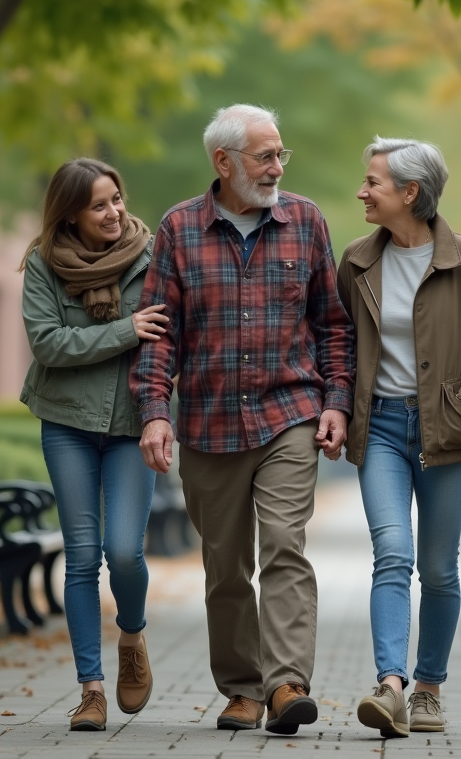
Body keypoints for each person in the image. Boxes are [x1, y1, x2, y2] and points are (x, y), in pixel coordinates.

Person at [130, 104, 355, 735]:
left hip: (290, 412)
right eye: (265, 156)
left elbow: (332, 325)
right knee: (225, 564)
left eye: (282, 154)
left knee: (284, 545)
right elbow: (159, 335)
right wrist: (155, 413)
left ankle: (286, 684)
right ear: (222, 162)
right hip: (208, 421)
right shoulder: (178, 229)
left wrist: (336, 401)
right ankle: (242, 688)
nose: (277, 167)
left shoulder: (305, 221)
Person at [336, 137, 461, 738]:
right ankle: (390, 685)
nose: (362, 191)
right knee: (393, 552)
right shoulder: (358, 261)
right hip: (380, 427)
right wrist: (341, 407)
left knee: (438, 570)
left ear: (410, 193)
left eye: (373, 183)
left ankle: (429, 688)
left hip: (446, 434)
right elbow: (339, 346)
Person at [18, 158, 169, 731]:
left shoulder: (152, 256)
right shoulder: (43, 264)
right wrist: (125, 331)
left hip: (132, 424)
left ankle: (132, 635)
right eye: (99, 205)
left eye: (118, 199)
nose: (115, 212)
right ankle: (91, 688)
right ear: (72, 214)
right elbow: (49, 344)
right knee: (81, 556)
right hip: (66, 423)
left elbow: (167, 337)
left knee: (125, 552)